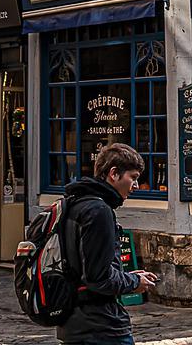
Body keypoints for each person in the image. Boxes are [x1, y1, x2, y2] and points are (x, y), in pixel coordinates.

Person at [59, 144, 159, 344]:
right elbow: (98, 278)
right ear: (114, 173)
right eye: (134, 177)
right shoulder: (99, 211)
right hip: (100, 327)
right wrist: (134, 283)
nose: (136, 186)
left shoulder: (75, 204)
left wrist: (127, 276)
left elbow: (84, 267)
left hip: (73, 322)